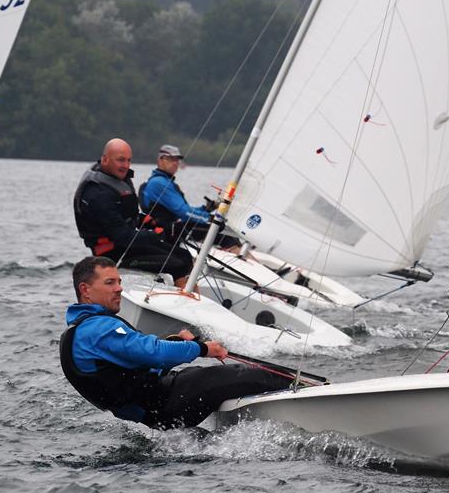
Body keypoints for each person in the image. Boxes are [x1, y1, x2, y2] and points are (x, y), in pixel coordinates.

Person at [60, 256, 292, 429]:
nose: (120, 288)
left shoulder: (80, 331)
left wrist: (175, 342)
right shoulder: (97, 329)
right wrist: (203, 348)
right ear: (86, 290)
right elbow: (153, 353)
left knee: (205, 378)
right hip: (167, 404)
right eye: (110, 282)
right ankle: (309, 395)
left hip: (156, 413)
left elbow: (136, 362)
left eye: (119, 281)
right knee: (255, 375)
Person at [73, 138, 195, 290]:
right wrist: (156, 235)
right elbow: (123, 236)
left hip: (127, 245)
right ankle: (184, 302)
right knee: (179, 264)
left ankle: (189, 296)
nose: (125, 165)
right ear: (105, 159)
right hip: (113, 254)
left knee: (184, 256)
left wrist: (150, 222)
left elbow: (129, 216)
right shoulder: (98, 194)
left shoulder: (116, 180)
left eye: (128, 160)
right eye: (120, 160)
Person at [139, 144, 242, 254]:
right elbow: (184, 213)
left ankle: (237, 257)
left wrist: (206, 209)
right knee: (226, 237)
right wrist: (210, 218)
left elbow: (185, 211)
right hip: (170, 232)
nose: (175, 163)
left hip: (175, 229)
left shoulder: (164, 182)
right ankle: (243, 264)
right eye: (171, 159)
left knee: (224, 234)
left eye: (177, 160)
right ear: (160, 160)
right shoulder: (159, 183)